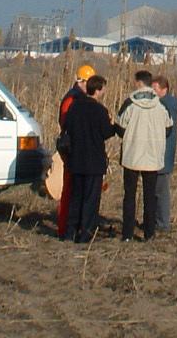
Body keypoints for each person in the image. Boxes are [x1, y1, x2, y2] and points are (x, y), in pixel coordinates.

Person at [117, 69, 172, 242]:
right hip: (152, 157)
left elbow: (119, 127)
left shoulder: (129, 103)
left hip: (132, 156)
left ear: (139, 83)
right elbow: (168, 129)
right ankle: (149, 233)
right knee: (150, 196)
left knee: (129, 196)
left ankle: (127, 234)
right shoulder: (161, 105)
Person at [63, 74, 117, 243]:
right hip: (94, 161)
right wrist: (113, 124)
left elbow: (67, 127)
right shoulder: (100, 111)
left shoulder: (74, 107)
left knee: (76, 197)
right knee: (90, 199)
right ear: (99, 90)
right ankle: (85, 233)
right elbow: (107, 133)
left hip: (76, 159)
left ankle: (70, 232)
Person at [56, 62, 96, 240]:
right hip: (72, 149)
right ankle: (65, 227)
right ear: (82, 81)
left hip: (76, 148)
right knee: (70, 190)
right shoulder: (72, 99)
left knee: (75, 190)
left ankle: (73, 226)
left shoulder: (75, 97)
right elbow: (66, 124)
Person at [151, 74, 177, 233]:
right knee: (158, 189)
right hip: (164, 154)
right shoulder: (169, 104)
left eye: (155, 89)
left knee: (161, 191)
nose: (153, 92)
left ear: (164, 89)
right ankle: (158, 220)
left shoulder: (164, 106)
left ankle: (162, 223)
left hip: (163, 154)